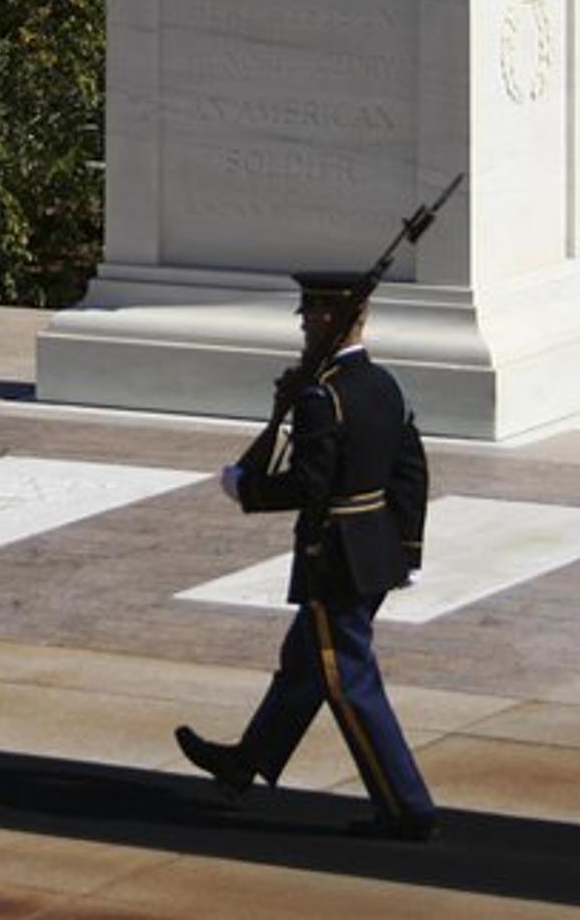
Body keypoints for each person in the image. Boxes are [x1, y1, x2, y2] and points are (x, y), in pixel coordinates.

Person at [174, 270, 438, 841]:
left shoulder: (325, 397)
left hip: (335, 558)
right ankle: (246, 763)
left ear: (327, 320)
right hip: (375, 552)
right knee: (304, 663)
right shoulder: (386, 386)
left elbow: (309, 485)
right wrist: (404, 549)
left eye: (308, 314)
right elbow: (412, 473)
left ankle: (406, 804)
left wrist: (247, 490)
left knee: (347, 678)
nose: (301, 322)